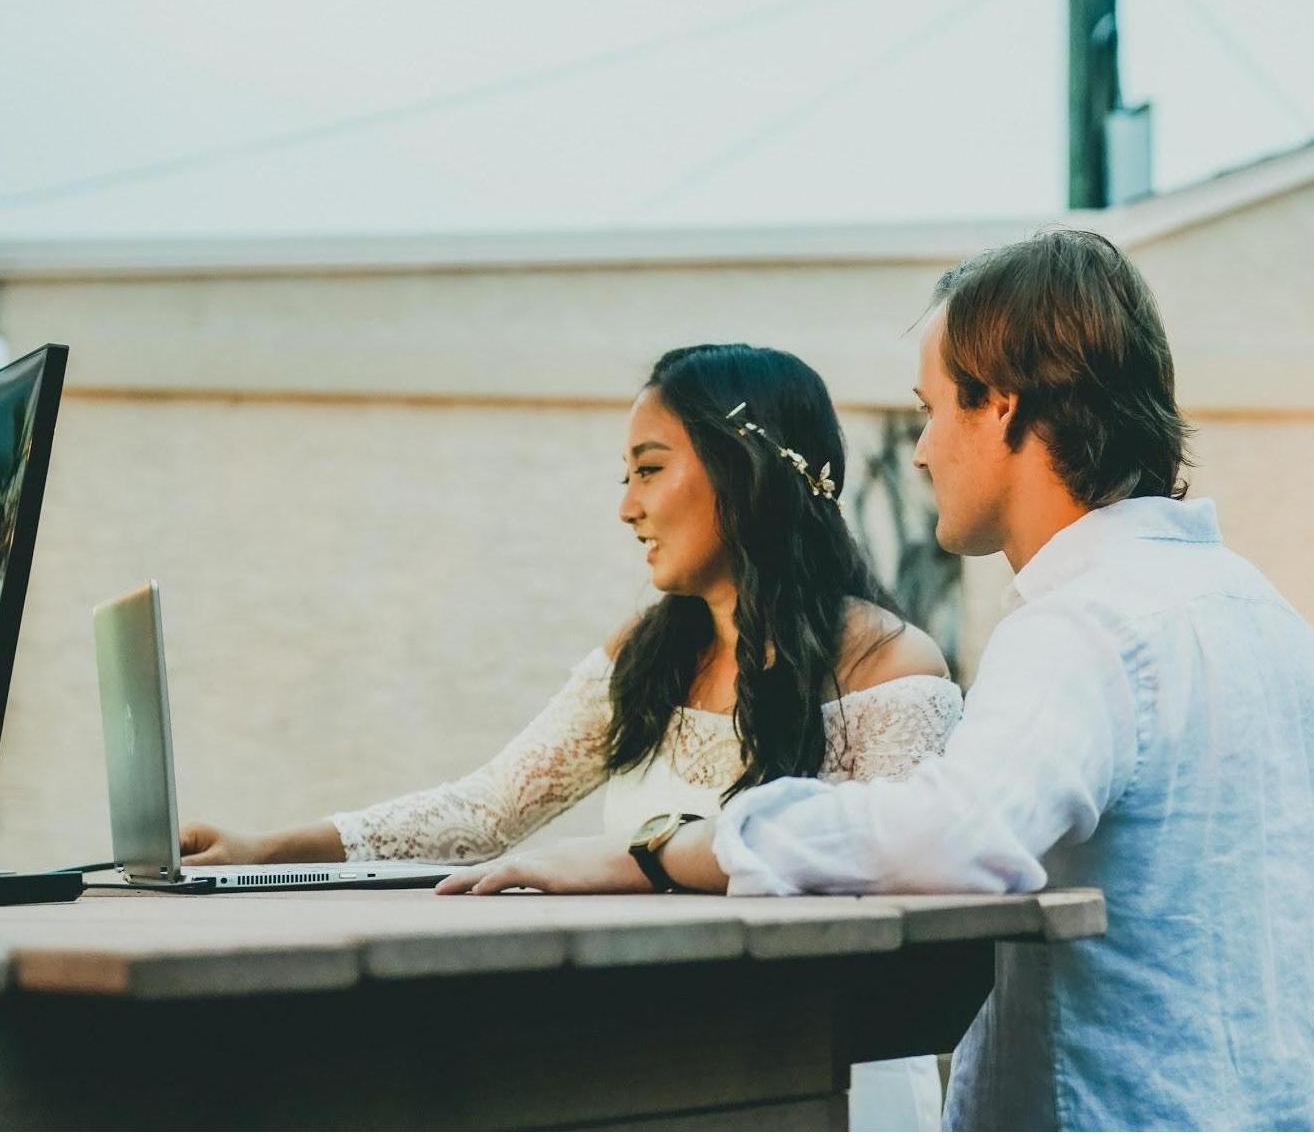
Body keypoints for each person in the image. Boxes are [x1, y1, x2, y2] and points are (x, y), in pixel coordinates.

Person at [457, 230, 1314, 1132]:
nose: (920, 451)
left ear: (1001, 406)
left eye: (931, 409)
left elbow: (951, 837)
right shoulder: (1264, 615)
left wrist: (665, 851)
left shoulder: (1083, 627)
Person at [181, 342, 962, 1132]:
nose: (628, 508)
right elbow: (485, 812)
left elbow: (893, 881)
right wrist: (268, 852)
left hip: (828, 1071)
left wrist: (645, 866)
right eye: (627, 478)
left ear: (742, 467)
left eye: (649, 469)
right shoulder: (647, 654)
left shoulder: (890, 666)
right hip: (659, 1064)